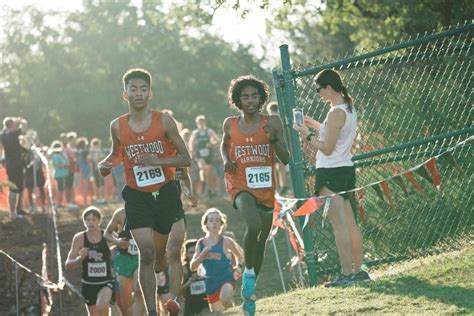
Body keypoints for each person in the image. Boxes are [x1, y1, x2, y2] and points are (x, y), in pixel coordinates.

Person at [98, 68, 191, 316]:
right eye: (133, 89)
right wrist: (106, 164)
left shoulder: (164, 121)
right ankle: (152, 311)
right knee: (146, 252)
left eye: (143, 89)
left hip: (165, 192)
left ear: (150, 93)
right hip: (136, 194)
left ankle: (161, 264)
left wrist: (157, 160)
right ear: (125, 94)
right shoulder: (117, 126)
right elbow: (117, 153)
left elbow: (186, 158)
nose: (138, 93)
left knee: (160, 256)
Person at [293, 68, 370, 287]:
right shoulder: (348, 108)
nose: (318, 93)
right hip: (345, 169)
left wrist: (305, 134)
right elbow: (337, 134)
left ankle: (346, 274)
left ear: (328, 87)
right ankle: (358, 271)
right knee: (351, 224)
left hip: (330, 171)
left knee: (339, 226)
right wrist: (317, 125)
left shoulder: (335, 112)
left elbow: (326, 148)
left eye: (318, 89)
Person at [221, 75, 290, 316]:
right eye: (245, 97)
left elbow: (286, 157)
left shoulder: (272, 122)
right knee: (252, 223)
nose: (250, 100)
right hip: (239, 183)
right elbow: (224, 144)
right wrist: (226, 160)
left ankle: (250, 285)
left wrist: (273, 139)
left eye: (254, 96)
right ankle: (248, 271)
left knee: (262, 240)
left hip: (265, 188)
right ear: (237, 101)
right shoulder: (230, 123)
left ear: (261, 98)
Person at [190, 208, 244, 313]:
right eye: (211, 220)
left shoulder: (226, 241)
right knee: (218, 312)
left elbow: (240, 255)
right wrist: (202, 255)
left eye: (217, 220)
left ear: (221, 224)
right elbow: (192, 266)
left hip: (226, 278)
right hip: (210, 282)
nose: (214, 223)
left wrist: (239, 268)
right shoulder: (200, 243)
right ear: (206, 224)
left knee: (225, 298)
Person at [65, 207, 115, 316]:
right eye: (88, 220)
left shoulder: (106, 236)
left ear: (99, 221)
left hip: (106, 282)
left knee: (102, 306)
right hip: (88, 284)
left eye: (94, 220)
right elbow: (68, 265)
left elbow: (120, 247)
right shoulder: (79, 238)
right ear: (84, 221)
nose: (90, 222)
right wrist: (80, 258)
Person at [104, 207, 145, 316]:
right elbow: (106, 234)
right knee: (126, 305)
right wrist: (117, 241)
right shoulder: (121, 214)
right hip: (124, 259)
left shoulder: (149, 210)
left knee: (139, 291)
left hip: (141, 258)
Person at [1, 116, 28, 219]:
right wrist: (20, 120)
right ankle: (13, 213)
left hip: (10, 163)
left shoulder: (3, 135)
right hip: (15, 164)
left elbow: (6, 128)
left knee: (17, 187)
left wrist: (13, 122)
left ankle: (17, 210)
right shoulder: (13, 134)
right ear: (11, 125)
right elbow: (25, 124)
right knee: (14, 189)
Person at [189, 115, 220, 199]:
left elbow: (216, 140)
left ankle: (209, 189)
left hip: (209, 155)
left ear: (205, 122)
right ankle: (204, 184)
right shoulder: (196, 133)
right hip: (200, 156)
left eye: (202, 122)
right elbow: (191, 144)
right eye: (199, 123)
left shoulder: (209, 131)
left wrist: (211, 143)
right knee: (203, 168)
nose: (201, 124)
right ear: (197, 123)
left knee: (209, 172)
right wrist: (192, 153)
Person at [266, 102, 291, 195]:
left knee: (276, 167)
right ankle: (282, 186)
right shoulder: (282, 119)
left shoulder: (269, 119)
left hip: (274, 145)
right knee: (280, 167)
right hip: (281, 144)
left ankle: (278, 186)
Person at [180, 239, 209, 316]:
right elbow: (178, 291)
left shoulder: (207, 265)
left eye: (195, 252)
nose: (194, 255)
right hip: (190, 303)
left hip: (205, 301)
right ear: (186, 254)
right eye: (191, 253)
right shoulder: (184, 269)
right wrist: (190, 281)